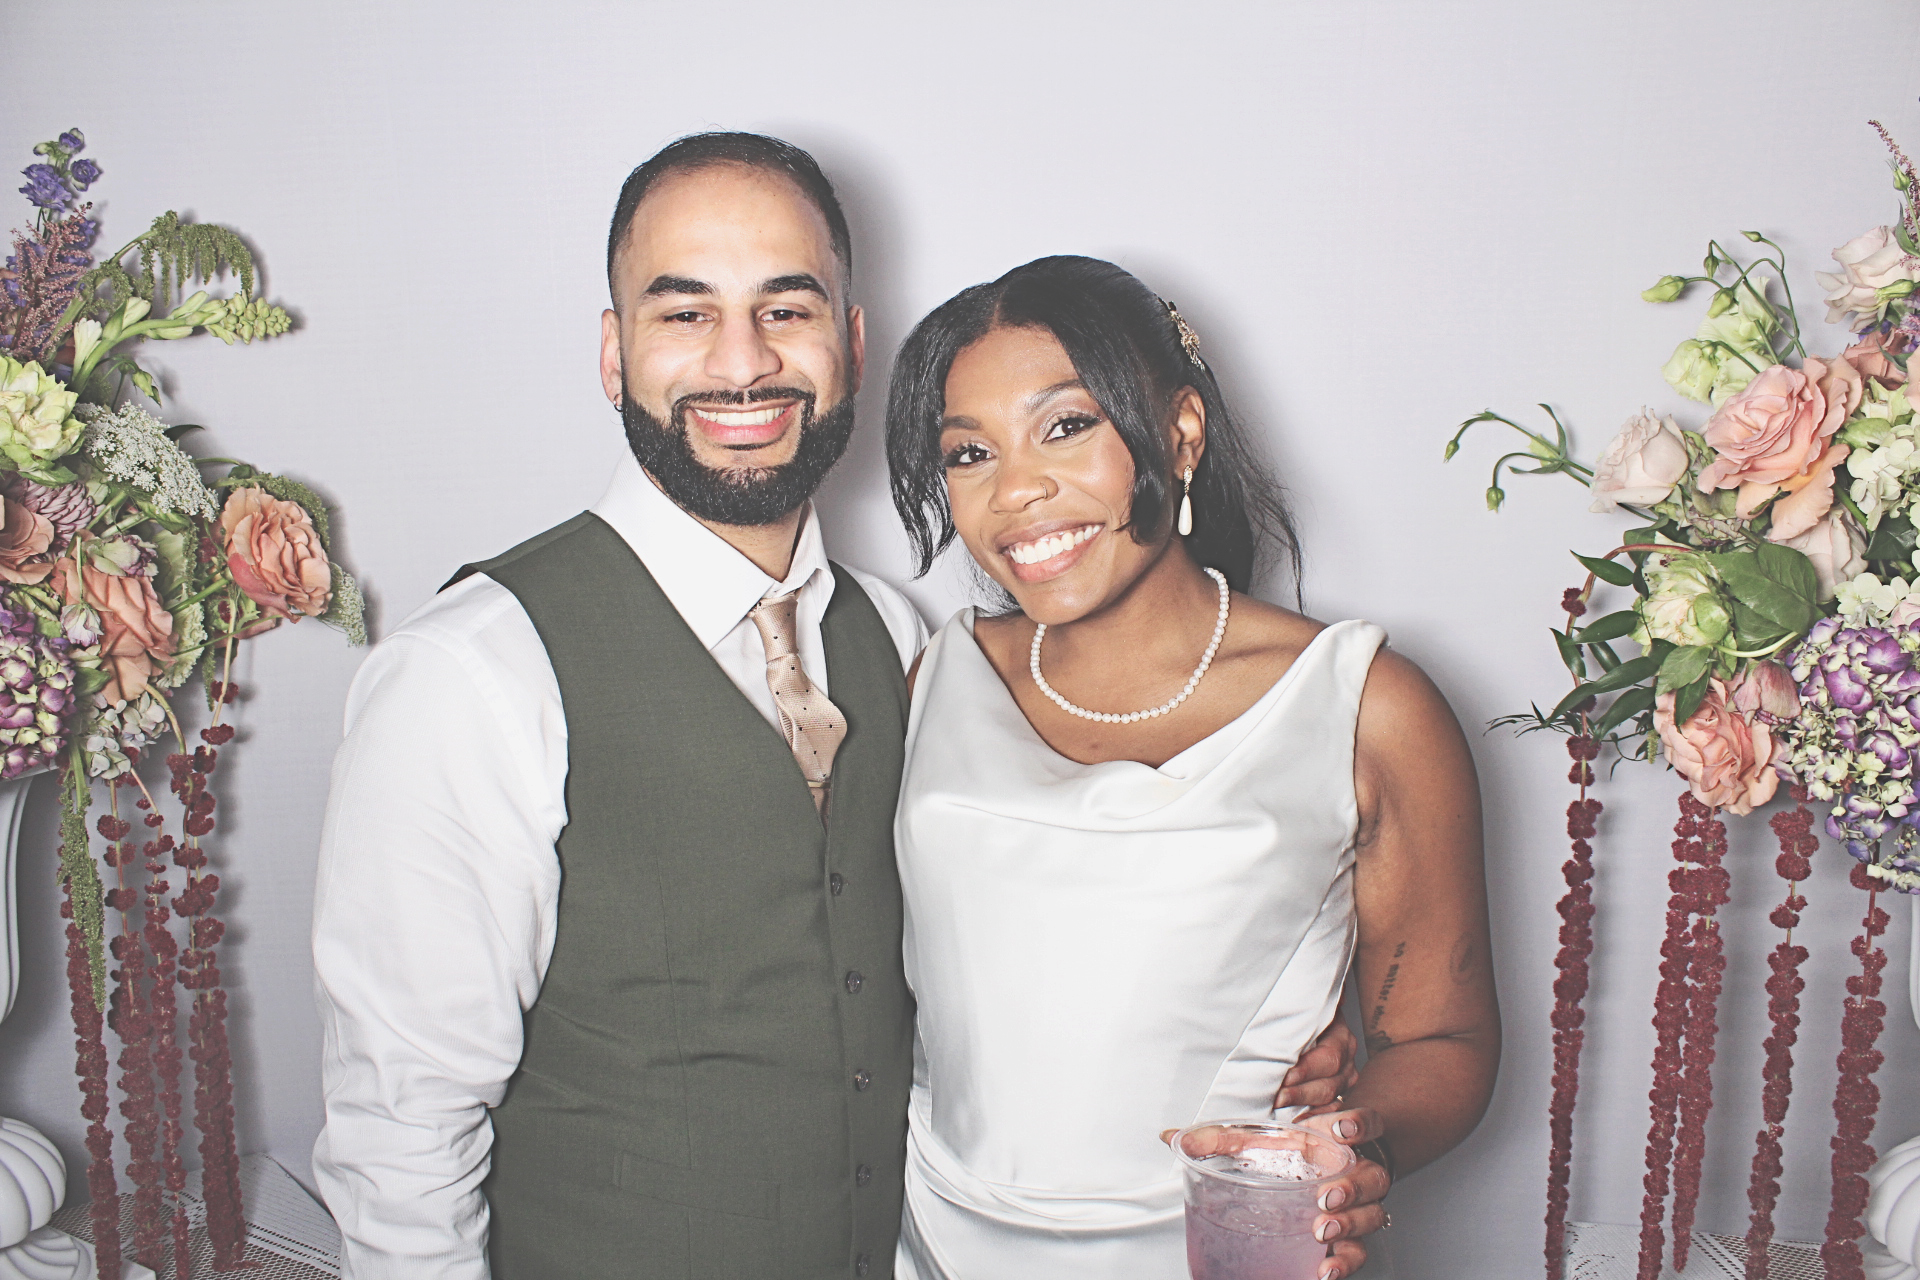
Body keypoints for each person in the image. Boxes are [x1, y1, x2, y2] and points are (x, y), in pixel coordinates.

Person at [307, 133, 1364, 1278]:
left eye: (787, 308)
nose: (744, 361)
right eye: (685, 312)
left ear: (851, 346)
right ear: (614, 354)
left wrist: (1283, 1038)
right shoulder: (470, 672)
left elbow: (1020, 943)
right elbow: (400, 1136)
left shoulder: (910, 646)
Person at [883, 255, 1500, 1279]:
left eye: (1066, 425)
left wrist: (1356, 1142)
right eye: (970, 451)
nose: (1017, 490)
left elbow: (1443, 1038)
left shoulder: (1366, 706)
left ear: (1180, 431)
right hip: (936, 1243)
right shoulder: (933, 680)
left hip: (1223, 1254)